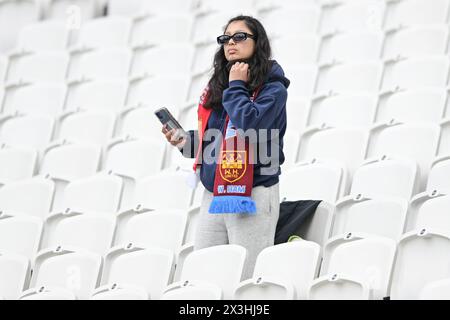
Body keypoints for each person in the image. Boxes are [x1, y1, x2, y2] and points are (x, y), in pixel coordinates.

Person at [162, 15, 290, 280]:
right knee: (205, 276)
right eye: (225, 38)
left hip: (254, 192)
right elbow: (214, 143)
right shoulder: (219, 88)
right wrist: (184, 141)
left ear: (258, 42)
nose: (230, 42)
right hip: (214, 194)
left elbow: (250, 126)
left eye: (239, 36)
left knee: (246, 279)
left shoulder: (273, 89)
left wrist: (236, 86)